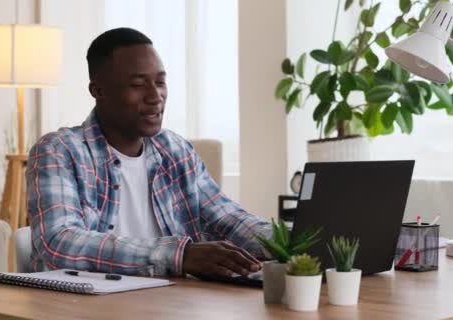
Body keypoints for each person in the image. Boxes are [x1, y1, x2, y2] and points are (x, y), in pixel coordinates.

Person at [25, 27, 272, 278]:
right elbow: (60, 243)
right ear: (98, 90)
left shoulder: (176, 150)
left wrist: (296, 242)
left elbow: (226, 218)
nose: (155, 97)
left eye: (160, 82)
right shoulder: (59, 151)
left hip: (169, 304)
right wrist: (180, 255)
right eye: (137, 84)